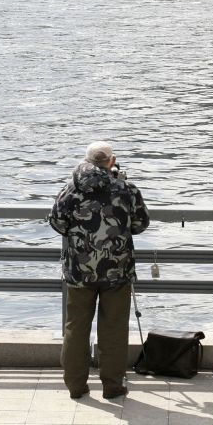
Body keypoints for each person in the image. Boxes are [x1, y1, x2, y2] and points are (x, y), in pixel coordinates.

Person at [49, 141, 150, 400]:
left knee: (76, 327)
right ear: (112, 160)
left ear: (86, 160)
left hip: (79, 271)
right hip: (117, 270)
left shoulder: (71, 189)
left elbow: (57, 223)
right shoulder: (126, 188)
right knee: (114, 328)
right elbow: (140, 224)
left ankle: (76, 386)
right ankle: (113, 386)